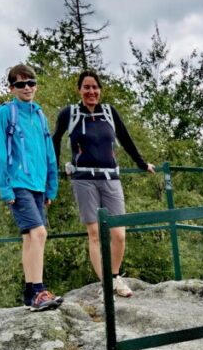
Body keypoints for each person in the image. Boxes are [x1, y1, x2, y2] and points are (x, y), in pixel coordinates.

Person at [52, 70, 155, 297]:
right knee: (96, 234)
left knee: (119, 234)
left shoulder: (109, 112)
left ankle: (115, 276)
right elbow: (55, 139)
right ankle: (107, 285)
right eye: (86, 87)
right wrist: (55, 169)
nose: (91, 92)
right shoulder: (69, 113)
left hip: (111, 178)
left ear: (100, 90)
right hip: (83, 180)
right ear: (79, 90)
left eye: (95, 87)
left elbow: (125, 138)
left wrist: (141, 163)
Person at [0, 64, 64, 311]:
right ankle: (38, 290)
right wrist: (5, 188)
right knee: (39, 233)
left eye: (31, 83)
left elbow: (49, 154)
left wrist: (51, 186)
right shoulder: (6, 113)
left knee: (30, 238)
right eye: (21, 84)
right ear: (11, 88)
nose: (27, 88)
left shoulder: (40, 115)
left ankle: (29, 293)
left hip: (38, 185)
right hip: (18, 183)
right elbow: (0, 154)